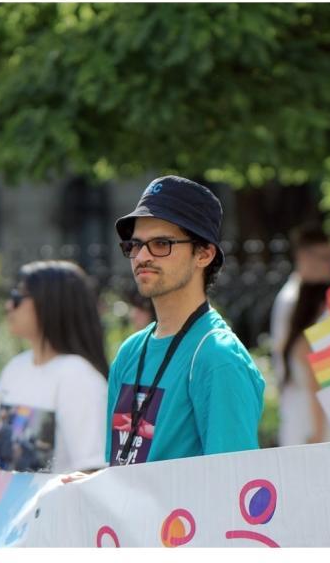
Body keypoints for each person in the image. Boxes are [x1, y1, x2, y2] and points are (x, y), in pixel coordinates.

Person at [107, 175, 264, 466]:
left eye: (161, 243)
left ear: (204, 254)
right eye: (135, 245)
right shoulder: (130, 352)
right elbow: (118, 468)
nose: (141, 256)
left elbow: (233, 481)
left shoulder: (218, 357)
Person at [0, 260, 109, 474]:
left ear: (51, 304)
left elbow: (93, 471)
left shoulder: (78, 377)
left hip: (56, 498)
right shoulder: (17, 367)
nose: (9, 306)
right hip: (11, 497)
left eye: (18, 297)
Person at [269, 224, 330, 395]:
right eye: (325, 257)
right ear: (303, 257)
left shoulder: (317, 295)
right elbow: (286, 352)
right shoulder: (291, 299)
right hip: (304, 395)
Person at [277, 281, 330, 446]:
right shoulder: (312, 340)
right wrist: (317, 433)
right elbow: (315, 388)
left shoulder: (295, 340)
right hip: (312, 421)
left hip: (297, 416)